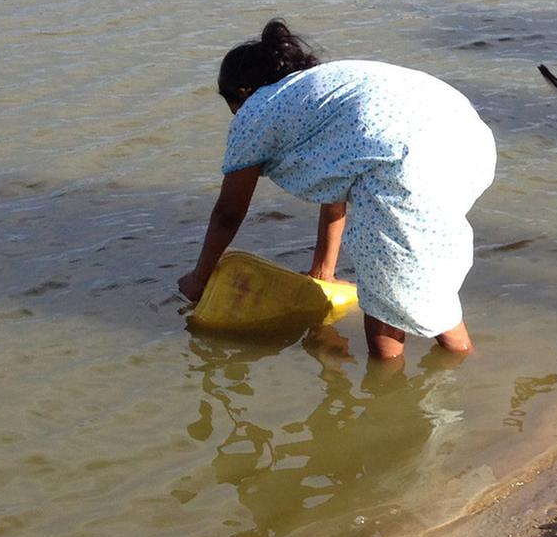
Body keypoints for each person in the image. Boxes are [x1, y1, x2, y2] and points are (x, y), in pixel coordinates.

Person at [179, 19, 497, 362]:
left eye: (232, 107)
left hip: (410, 158)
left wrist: (200, 278)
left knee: (385, 302)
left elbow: (228, 213)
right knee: (421, 277)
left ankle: (386, 398)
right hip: (466, 139)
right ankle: (464, 368)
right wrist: (322, 274)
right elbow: (336, 189)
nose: (235, 116)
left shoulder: (255, 112)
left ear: (241, 93)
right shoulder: (317, 92)